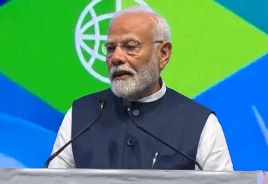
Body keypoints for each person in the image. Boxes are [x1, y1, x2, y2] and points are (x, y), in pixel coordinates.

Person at [48, 6, 233, 171]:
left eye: (131, 46)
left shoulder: (199, 123)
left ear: (163, 54)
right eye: (110, 48)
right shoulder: (81, 116)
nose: (116, 58)